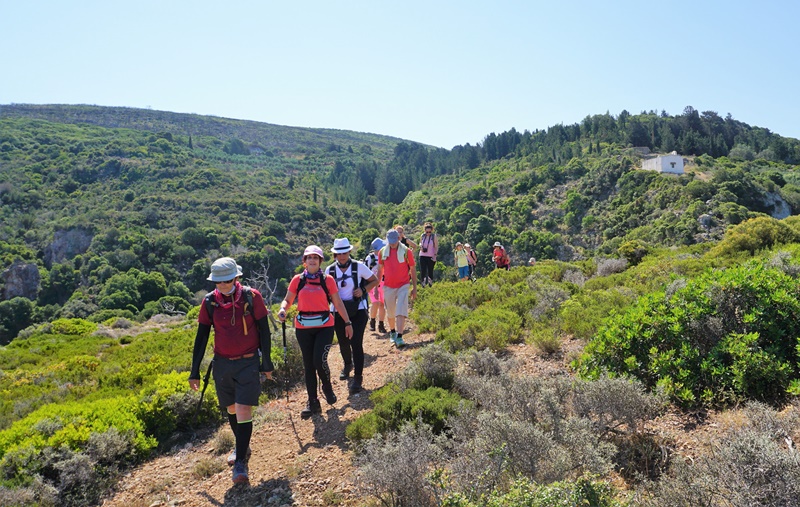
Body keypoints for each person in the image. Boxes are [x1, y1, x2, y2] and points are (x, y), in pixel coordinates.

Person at [190, 257, 274, 485]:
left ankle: (240, 464)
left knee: (243, 408)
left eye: (227, 280)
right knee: (230, 408)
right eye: (219, 282)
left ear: (236, 278)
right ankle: (243, 448)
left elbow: (264, 331)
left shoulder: (251, 296)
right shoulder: (209, 302)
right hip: (223, 363)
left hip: (248, 362)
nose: (223, 285)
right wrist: (194, 370)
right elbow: (201, 337)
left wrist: (266, 362)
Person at [277, 246, 353, 419]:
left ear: (320, 261)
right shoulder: (298, 280)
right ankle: (312, 401)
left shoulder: (328, 280)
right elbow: (288, 300)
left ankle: (327, 386)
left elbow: (338, 303)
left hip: (325, 326)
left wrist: (347, 322)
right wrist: (283, 309)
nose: (312, 260)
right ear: (304, 261)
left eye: (315, 257)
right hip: (303, 328)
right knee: (308, 365)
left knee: (319, 360)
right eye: (309, 257)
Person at [325, 238, 378, 394]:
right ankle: (348, 364)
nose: (342, 256)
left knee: (356, 342)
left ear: (349, 252)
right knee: (342, 342)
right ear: (335, 254)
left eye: (344, 252)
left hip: (358, 310)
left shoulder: (359, 266)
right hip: (338, 311)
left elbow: (374, 280)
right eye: (338, 253)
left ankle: (358, 377)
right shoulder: (330, 270)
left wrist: (363, 290)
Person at [377, 229, 418, 348]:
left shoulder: (406, 251)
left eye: (394, 241)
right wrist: (376, 287)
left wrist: (414, 288)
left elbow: (413, 269)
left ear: (399, 239)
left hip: (403, 284)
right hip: (388, 286)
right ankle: (393, 332)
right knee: (390, 312)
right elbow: (380, 270)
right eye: (390, 241)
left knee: (401, 309)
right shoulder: (382, 252)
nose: (393, 243)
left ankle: (400, 336)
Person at [364, 237, 388, 334]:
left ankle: (381, 324)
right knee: (375, 303)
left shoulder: (386, 256)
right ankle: (372, 321)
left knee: (382, 304)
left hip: (384, 283)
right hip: (373, 283)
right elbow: (365, 271)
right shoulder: (370, 258)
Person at [418, 222, 438, 287]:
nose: (428, 233)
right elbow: (420, 243)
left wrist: (435, 255)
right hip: (422, 255)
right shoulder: (422, 236)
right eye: (427, 232)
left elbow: (436, 246)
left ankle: (430, 283)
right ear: (425, 231)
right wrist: (421, 247)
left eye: (429, 232)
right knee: (423, 269)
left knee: (430, 270)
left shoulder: (433, 236)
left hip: (430, 255)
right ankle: (423, 283)